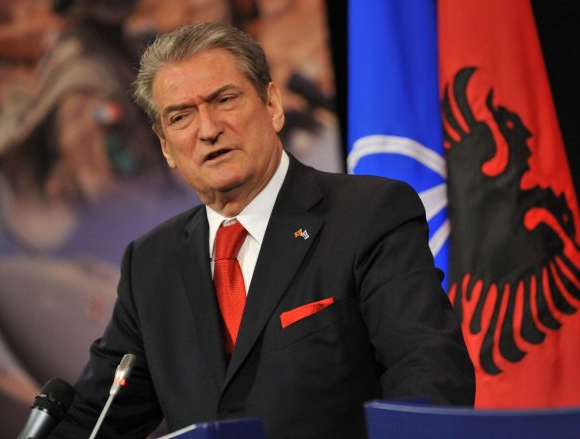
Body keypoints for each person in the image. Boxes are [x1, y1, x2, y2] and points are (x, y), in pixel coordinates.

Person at [49, 22, 474, 439]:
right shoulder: (151, 263)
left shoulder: (367, 214)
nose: (208, 129)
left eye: (225, 100)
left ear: (272, 105)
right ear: (166, 148)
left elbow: (429, 372)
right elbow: (94, 418)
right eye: (180, 117)